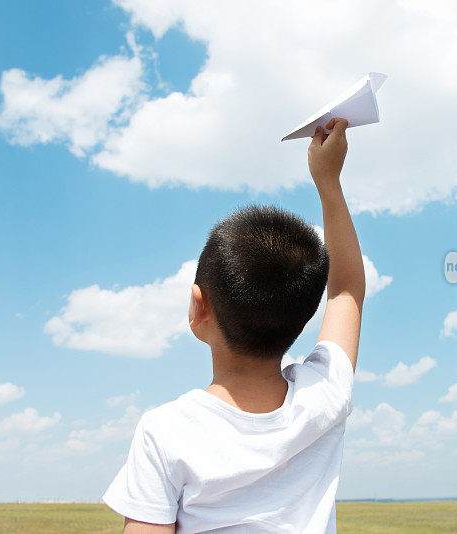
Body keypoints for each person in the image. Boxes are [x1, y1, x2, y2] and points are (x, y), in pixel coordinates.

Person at [103, 118, 365, 533]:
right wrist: (328, 181)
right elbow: (347, 291)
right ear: (303, 317)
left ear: (197, 307)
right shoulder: (324, 396)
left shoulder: (166, 432)